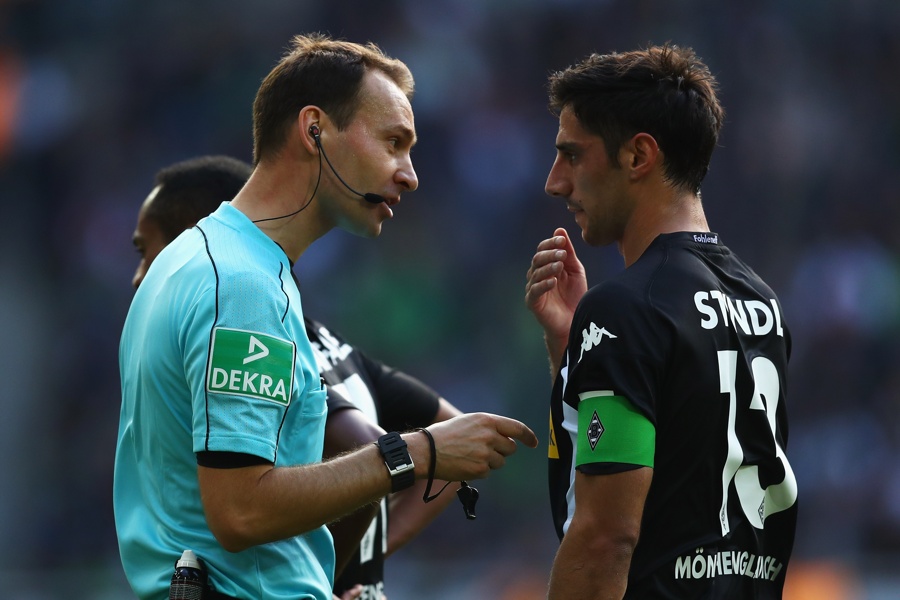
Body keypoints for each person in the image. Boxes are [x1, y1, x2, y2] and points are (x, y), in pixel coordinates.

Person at [114, 33, 537, 600]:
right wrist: (420, 452)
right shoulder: (241, 283)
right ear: (314, 129)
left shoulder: (193, 260)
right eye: (394, 142)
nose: (409, 173)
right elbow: (239, 511)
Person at [524, 44, 798, 598]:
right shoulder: (760, 301)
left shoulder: (629, 308)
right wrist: (570, 350)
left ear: (638, 156)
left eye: (572, 155)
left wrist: (597, 336)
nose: (555, 182)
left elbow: (605, 536)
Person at [131, 154, 463, 599]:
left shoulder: (254, 333)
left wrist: (321, 581)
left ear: (195, 239)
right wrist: (369, 554)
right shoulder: (329, 342)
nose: (139, 277)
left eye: (144, 251)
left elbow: (363, 444)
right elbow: (451, 444)